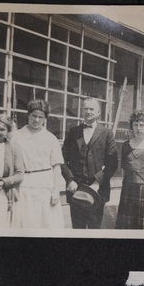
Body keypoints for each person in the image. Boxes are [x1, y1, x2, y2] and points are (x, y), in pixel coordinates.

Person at [61, 97, 119, 229]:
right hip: (75, 189)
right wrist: (69, 180)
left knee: (94, 230)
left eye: (91, 109)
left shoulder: (106, 133)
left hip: (97, 191)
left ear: (99, 112)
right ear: (82, 110)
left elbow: (112, 163)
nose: (88, 111)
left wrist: (96, 183)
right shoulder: (73, 132)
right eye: (85, 108)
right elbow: (62, 159)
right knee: (77, 230)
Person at [11, 100, 65, 229]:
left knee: (47, 222)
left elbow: (56, 166)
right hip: (23, 184)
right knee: (26, 222)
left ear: (45, 118)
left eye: (41, 117)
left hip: (45, 185)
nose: (36, 120)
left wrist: (56, 190)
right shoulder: (16, 136)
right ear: (28, 115)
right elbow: (11, 165)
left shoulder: (50, 138)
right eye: (34, 116)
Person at [115, 110, 144, 229]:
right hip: (129, 188)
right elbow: (125, 168)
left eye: (142, 125)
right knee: (127, 226)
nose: (138, 128)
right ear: (132, 127)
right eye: (135, 125)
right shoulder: (126, 145)